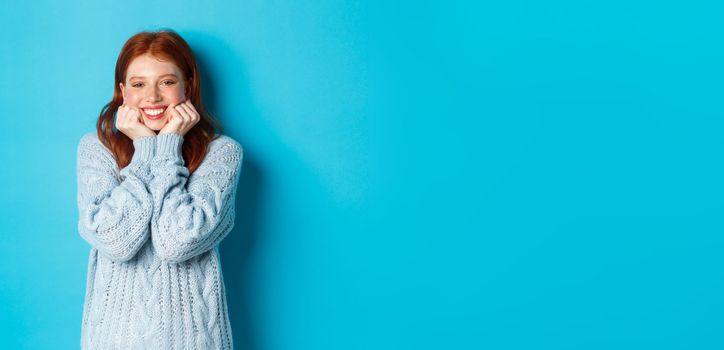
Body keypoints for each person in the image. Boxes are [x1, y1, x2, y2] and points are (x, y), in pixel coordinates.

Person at [76, 29, 242, 349]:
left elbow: (176, 243)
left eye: (166, 82)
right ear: (123, 91)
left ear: (188, 86)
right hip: (111, 341)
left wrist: (166, 148)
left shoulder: (222, 154)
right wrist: (143, 151)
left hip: (194, 341)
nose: (152, 97)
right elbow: (115, 241)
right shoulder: (96, 150)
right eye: (139, 84)